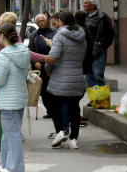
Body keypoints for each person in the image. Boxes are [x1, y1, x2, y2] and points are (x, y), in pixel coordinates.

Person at [0, 22, 31, 172]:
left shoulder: (3, 56)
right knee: (8, 134)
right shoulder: (23, 51)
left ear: (2, 36)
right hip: (19, 99)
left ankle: (16, 168)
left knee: (11, 136)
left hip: (8, 101)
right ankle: (6, 165)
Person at [44, 10, 87, 149]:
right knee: (74, 108)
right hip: (77, 77)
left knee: (51, 103)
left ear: (61, 22)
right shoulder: (81, 35)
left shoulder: (59, 35)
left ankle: (61, 131)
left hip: (61, 77)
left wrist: (47, 68)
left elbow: (53, 56)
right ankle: (74, 139)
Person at [28, 14, 57, 123]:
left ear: (47, 21)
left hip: (53, 65)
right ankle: (50, 110)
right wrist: (35, 62)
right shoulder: (33, 35)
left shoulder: (54, 32)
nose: (41, 22)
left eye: (43, 20)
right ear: (36, 23)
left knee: (53, 89)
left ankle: (55, 109)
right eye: (39, 21)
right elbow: (30, 50)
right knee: (43, 90)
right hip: (40, 66)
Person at [82, 0, 115, 88]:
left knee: (98, 75)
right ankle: (94, 100)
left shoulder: (102, 17)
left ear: (92, 5)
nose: (83, 5)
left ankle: (101, 101)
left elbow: (111, 33)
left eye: (85, 3)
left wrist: (103, 46)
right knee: (89, 75)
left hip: (98, 50)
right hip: (86, 50)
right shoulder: (85, 16)